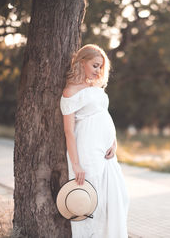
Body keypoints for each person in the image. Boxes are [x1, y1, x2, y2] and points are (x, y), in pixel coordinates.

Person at [60, 44, 129, 238]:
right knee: (91, 202)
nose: (98, 70)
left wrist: (113, 141)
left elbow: (103, 115)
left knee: (119, 198)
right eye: (95, 65)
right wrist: (76, 164)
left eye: (101, 67)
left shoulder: (94, 86)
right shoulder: (70, 91)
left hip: (106, 151)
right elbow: (68, 131)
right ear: (82, 62)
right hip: (87, 150)